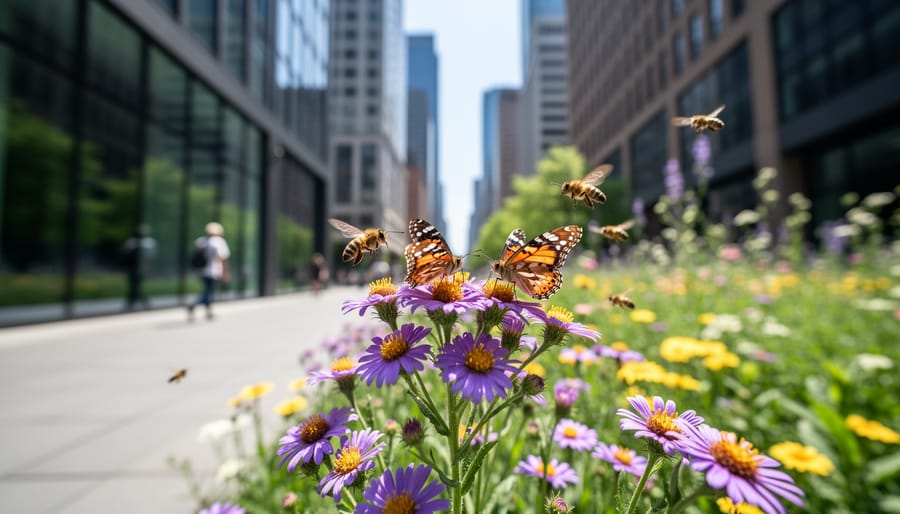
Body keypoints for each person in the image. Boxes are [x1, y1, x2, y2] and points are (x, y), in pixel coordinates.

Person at [187, 222, 230, 321]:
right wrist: (225, 272)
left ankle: (208, 312)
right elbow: (223, 258)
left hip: (201, 270)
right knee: (209, 291)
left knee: (208, 290)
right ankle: (194, 305)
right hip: (213, 271)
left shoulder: (201, 241)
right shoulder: (218, 242)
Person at [122, 224, 157, 310]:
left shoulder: (147, 243)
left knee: (134, 286)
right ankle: (137, 302)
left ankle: (132, 303)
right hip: (134, 268)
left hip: (140, 268)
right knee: (134, 286)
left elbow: (151, 258)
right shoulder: (132, 243)